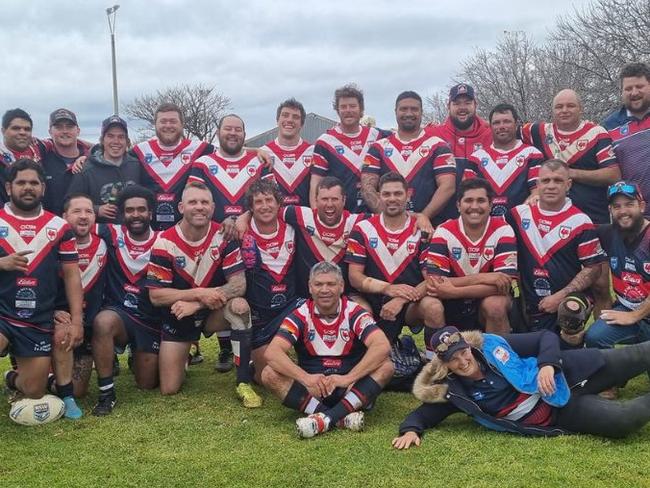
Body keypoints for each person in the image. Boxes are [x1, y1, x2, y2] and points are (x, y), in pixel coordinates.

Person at [392, 325, 650, 446]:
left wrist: (547, 364)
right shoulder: (457, 393)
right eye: (453, 359)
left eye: (463, 352)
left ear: (469, 346)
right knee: (623, 419)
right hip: (560, 411)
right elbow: (424, 413)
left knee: (636, 355)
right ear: (445, 365)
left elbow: (545, 337)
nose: (463, 361)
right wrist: (411, 430)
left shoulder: (493, 345)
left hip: (569, 371)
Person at [146, 181, 262, 407]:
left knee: (239, 306)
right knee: (169, 389)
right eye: (193, 202)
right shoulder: (164, 241)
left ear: (212, 207)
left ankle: (243, 381)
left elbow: (238, 285)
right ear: (180, 207)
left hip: (211, 313)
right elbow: (156, 296)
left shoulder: (224, 236)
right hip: (178, 316)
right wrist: (200, 294)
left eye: (204, 202)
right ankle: (186, 352)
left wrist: (199, 304)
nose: (199, 207)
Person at [262, 261, 393, 438]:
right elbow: (272, 353)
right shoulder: (300, 314)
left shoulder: (355, 312)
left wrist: (348, 378)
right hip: (314, 388)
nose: (324, 290)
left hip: (349, 386)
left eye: (331, 284)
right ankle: (338, 417)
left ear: (341, 286)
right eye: (318, 284)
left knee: (386, 366)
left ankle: (323, 418)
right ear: (310, 287)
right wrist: (306, 378)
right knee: (269, 373)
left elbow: (382, 345)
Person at [1, 159, 83, 401]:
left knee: (34, 389)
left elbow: (71, 275)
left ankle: (12, 378)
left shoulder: (59, 227)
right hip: (3, 313)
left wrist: (77, 321)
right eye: (21, 182)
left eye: (34, 183)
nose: (28, 187)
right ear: (8, 188)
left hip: (37, 318)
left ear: (43, 189)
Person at [346, 172, 439, 353]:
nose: (392, 199)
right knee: (380, 353)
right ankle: (355, 359)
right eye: (387, 194)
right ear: (379, 195)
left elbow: (432, 279)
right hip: (374, 300)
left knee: (434, 307)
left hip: (411, 303)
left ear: (408, 194)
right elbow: (355, 277)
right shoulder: (363, 229)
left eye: (398, 193)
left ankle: (433, 365)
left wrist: (400, 299)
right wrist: (388, 289)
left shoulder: (422, 230)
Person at [509, 159, 605, 331]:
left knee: (570, 312)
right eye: (546, 180)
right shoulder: (519, 214)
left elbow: (594, 268)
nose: (551, 186)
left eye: (558, 180)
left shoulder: (581, 221)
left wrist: (560, 296)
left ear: (568, 185)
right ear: (537, 184)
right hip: (528, 302)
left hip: (565, 301)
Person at [91, 185, 161, 416]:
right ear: (122, 213)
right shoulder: (110, 232)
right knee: (103, 322)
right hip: (119, 313)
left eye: (141, 209)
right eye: (130, 210)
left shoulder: (164, 239)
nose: (136, 214)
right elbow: (71, 222)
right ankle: (106, 393)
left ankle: (139, 354)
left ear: (151, 213)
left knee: (147, 384)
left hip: (150, 321)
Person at [427, 178, 518, 334]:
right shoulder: (444, 231)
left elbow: (504, 285)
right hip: (451, 304)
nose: (474, 206)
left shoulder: (503, 229)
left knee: (495, 305)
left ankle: (497, 357)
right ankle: (438, 356)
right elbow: (435, 283)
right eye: (468, 200)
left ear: (490, 205)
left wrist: (454, 291)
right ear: (458, 205)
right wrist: (483, 277)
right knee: (430, 304)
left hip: (482, 300)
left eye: (481, 201)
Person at [521, 89, 621, 225]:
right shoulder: (539, 131)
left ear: (580, 109)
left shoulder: (596, 133)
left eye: (570, 106)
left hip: (592, 219)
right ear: (552, 111)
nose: (564, 110)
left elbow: (613, 175)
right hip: (550, 221)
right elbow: (503, 131)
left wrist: (571, 173)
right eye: (559, 107)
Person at [51, 194, 108, 418]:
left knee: (79, 391)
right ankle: (27, 373)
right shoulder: (51, 248)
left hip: (87, 327)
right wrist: (53, 310)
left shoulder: (105, 243)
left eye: (89, 211)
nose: (83, 217)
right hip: (55, 324)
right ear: (64, 217)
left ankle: (51, 379)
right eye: (77, 211)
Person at [361, 91, 456, 225]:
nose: (409, 114)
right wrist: (392, 219)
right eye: (404, 109)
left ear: (421, 112)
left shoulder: (438, 146)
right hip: (388, 228)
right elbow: (367, 188)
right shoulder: (378, 148)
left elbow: (448, 186)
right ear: (396, 111)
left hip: (427, 227)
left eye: (414, 109)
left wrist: (423, 217)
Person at [239, 179, 301, 381]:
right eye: (258, 202)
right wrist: (238, 219)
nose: (265, 206)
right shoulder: (241, 233)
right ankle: (252, 360)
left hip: (292, 308)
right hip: (260, 314)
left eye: (269, 200)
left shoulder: (294, 228)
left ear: (278, 203)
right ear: (251, 207)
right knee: (263, 377)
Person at [585, 182, 650, 349]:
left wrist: (635, 316)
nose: (623, 212)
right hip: (627, 307)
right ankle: (613, 374)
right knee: (595, 336)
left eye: (629, 204)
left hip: (638, 313)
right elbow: (576, 230)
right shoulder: (608, 233)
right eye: (616, 206)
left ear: (641, 206)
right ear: (610, 210)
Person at [132, 102, 213, 230]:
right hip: (149, 231)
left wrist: (256, 151)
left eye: (173, 121)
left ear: (182, 125)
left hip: (186, 231)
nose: (168, 125)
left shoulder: (200, 148)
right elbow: (110, 153)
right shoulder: (139, 151)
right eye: (163, 121)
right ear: (155, 124)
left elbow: (230, 153)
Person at [311, 84, 391, 212]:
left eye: (353, 106)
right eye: (343, 107)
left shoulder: (378, 135)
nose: (348, 110)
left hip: (375, 215)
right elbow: (316, 182)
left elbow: (406, 136)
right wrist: (316, 215)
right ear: (337, 110)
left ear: (361, 109)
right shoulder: (325, 141)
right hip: (342, 217)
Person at [464, 103, 544, 216]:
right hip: (484, 225)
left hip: (521, 223)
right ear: (490, 127)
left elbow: (536, 194)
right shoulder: (476, 158)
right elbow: (467, 196)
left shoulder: (532, 154)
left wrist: (516, 216)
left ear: (516, 124)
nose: (501, 126)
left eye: (507, 121)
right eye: (496, 123)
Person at [426, 83, 493, 217]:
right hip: (439, 217)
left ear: (475, 105)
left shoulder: (491, 134)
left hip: (479, 216)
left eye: (467, 103)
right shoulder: (431, 133)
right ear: (448, 106)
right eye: (456, 103)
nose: (462, 108)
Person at [190, 114, 270, 223]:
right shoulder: (202, 164)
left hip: (252, 234)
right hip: (213, 235)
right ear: (218, 133)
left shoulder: (260, 162)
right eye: (228, 129)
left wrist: (245, 218)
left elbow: (272, 203)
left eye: (238, 130)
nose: (233, 133)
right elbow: (192, 203)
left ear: (244, 134)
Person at [67, 115, 141, 223]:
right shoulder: (86, 170)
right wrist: (97, 210)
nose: (116, 141)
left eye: (121, 137)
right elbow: (69, 203)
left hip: (132, 231)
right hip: (100, 233)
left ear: (127, 142)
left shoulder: (136, 165)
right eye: (110, 136)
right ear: (102, 140)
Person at [602, 63, 650, 216]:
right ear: (621, 92)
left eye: (639, 86)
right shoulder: (609, 126)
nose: (634, 92)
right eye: (628, 89)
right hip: (633, 217)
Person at [260, 98, 313, 206]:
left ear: (302, 123)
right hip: (273, 221)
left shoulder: (313, 151)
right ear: (277, 120)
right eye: (285, 115)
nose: (290, 120)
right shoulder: (264, 152)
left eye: (296, 117)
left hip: (305, 219)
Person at [41, 109, 92, 216]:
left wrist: (89, 155)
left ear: (78, 130)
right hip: (51, 228)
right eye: (59, 127)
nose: (65, 131)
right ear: (50, 131)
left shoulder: (92, 160)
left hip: (85, 228)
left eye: (69, 126)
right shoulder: (41, 160)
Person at [0, 109, 45, 204]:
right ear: (3, 131)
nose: (22, 132)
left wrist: (83, 157)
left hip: (40, 214)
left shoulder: (39, 146)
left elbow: (73, 143)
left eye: (27, 129)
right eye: (16, 128)